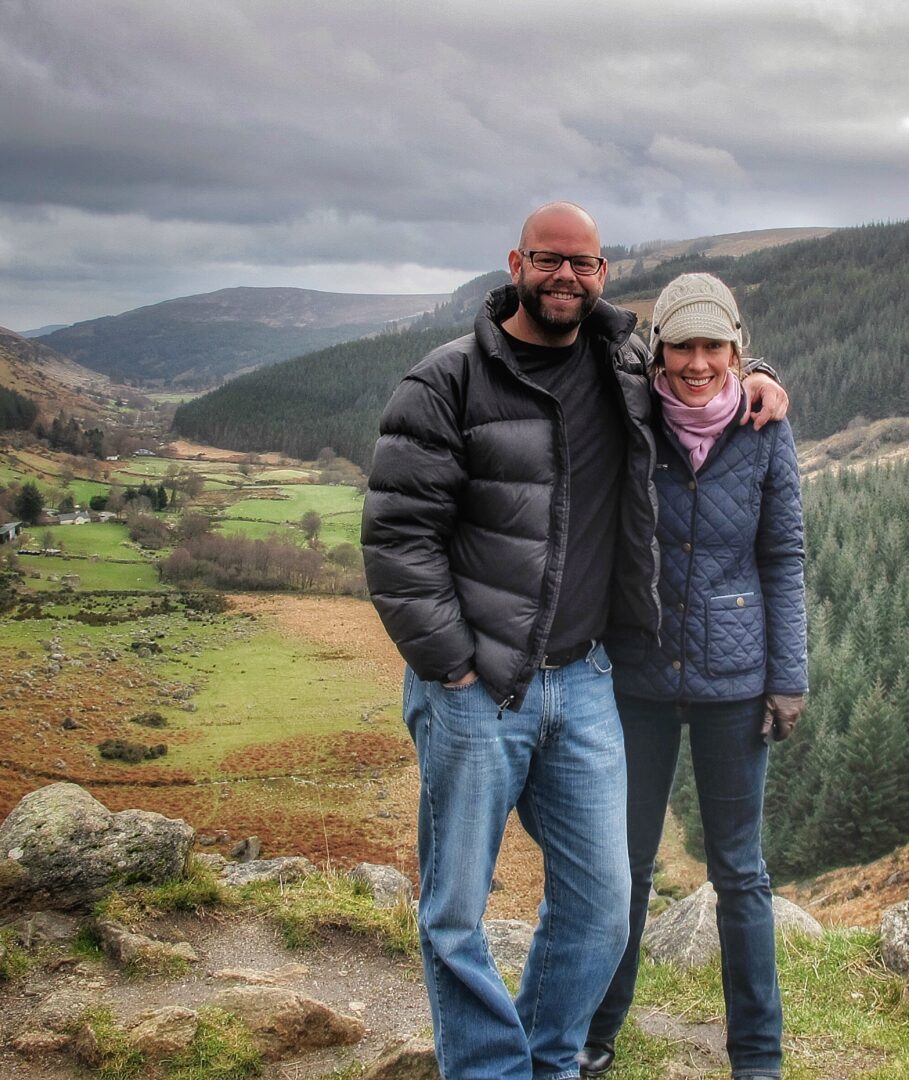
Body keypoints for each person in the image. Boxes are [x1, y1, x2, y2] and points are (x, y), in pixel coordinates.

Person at [362, 204, 789, 1080]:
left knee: (603, 904)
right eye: (548, 261)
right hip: (478, 687)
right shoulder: (445, 382)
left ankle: (552, 1057)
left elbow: (697, 372)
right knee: (456, 910)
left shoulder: (619, 365)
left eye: (583, 264)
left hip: (588, 681)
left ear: (602, 274)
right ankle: (493, 1069)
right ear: (517, 262)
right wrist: (452, 664)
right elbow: (398, 541)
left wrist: (763, 378)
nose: (565, 277)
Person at [580, 273, 808, 1079]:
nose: (699, 362)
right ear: (661, 352)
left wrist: (789, 678)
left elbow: (783, 556)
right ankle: (597, 1036)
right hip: (636, 673)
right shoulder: (632, 416)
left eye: (716, 346)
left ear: (738, 350)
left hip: (735, 679)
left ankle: (757, 1057)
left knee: (740, 872)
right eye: (684, 345)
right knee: (626, 866)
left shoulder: (764, 427)